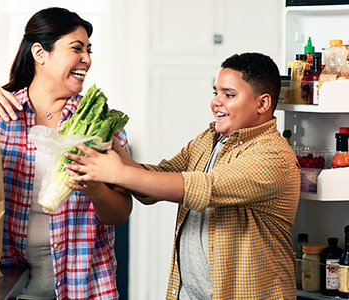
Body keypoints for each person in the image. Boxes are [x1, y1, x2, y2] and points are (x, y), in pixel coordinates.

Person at [64, 52, 301, 299]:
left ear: (262, 104)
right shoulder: (209, 139)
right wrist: (113, 147)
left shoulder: (273, 155)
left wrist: (119, 172)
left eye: (229, 95)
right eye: (215, 93)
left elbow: (206, 188)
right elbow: (158, 179)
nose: (217, 102)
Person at [0, 7, 132, 300]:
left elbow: (120, 214)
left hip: (84, 284)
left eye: (89, 50)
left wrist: (95, 188)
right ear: (39, 53)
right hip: (8, 281)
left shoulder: (100, 125)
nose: (87, 58)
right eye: (77, 48)